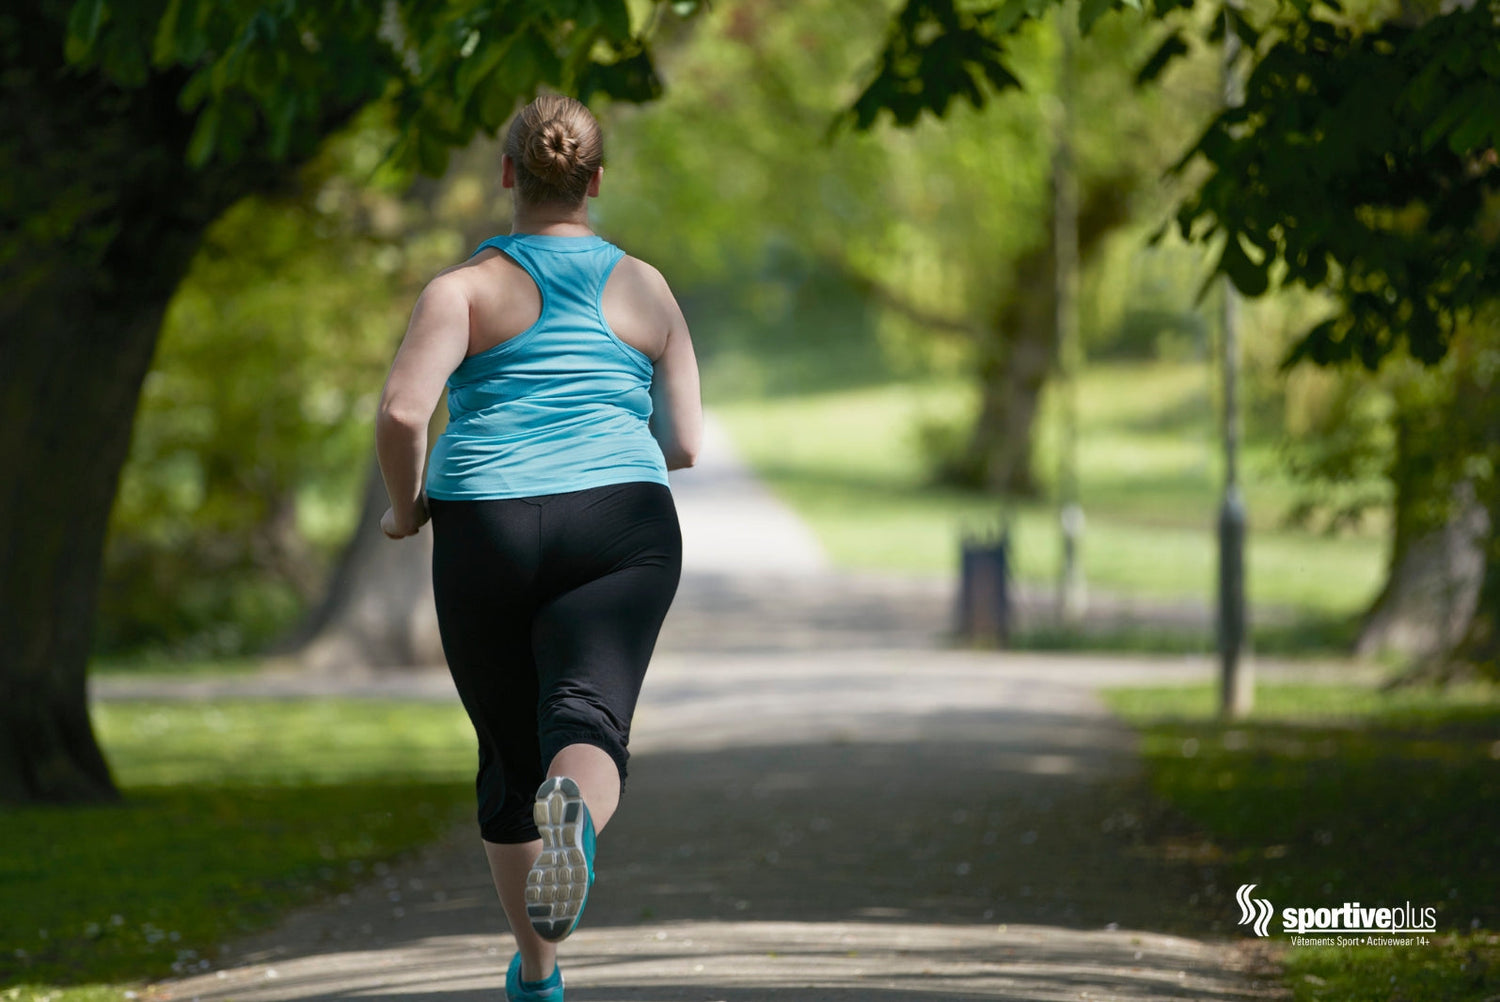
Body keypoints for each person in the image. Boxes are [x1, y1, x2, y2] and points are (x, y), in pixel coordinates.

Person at [373, 93, 702, 1002]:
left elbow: (405, 412)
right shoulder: (645, 286)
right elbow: (685, 445)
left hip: (488, 524)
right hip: (622, 522)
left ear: (509, 173)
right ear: (595, 181)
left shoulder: (463, 289)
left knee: (511, 757)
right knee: (587, 721)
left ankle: (540, 977)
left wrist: (407, 512)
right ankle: (580, 832)